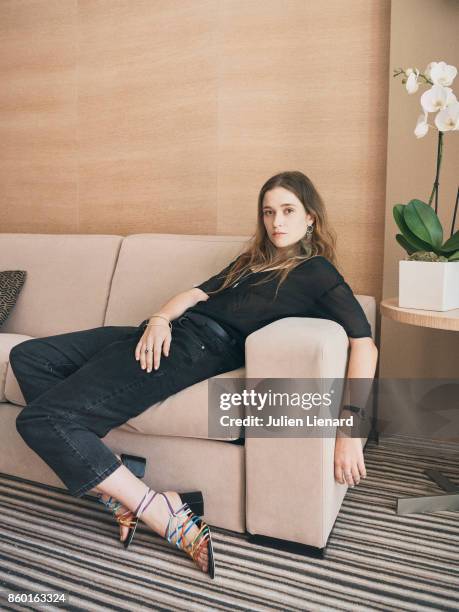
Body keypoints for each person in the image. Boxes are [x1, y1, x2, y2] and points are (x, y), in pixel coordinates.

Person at [9, 170, 378, 579]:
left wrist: (349, 433)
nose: (277, 222)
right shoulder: (252, 261)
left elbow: (364, 343)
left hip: (194, 350)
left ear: (311, 217)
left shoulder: (317, 273)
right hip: (168, 332)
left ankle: (158, 510)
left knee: (42, 419)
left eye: (288, 211)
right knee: (29, 356)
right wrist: (159, 319)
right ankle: (116, 480)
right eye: (269, 212)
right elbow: (197, 294)